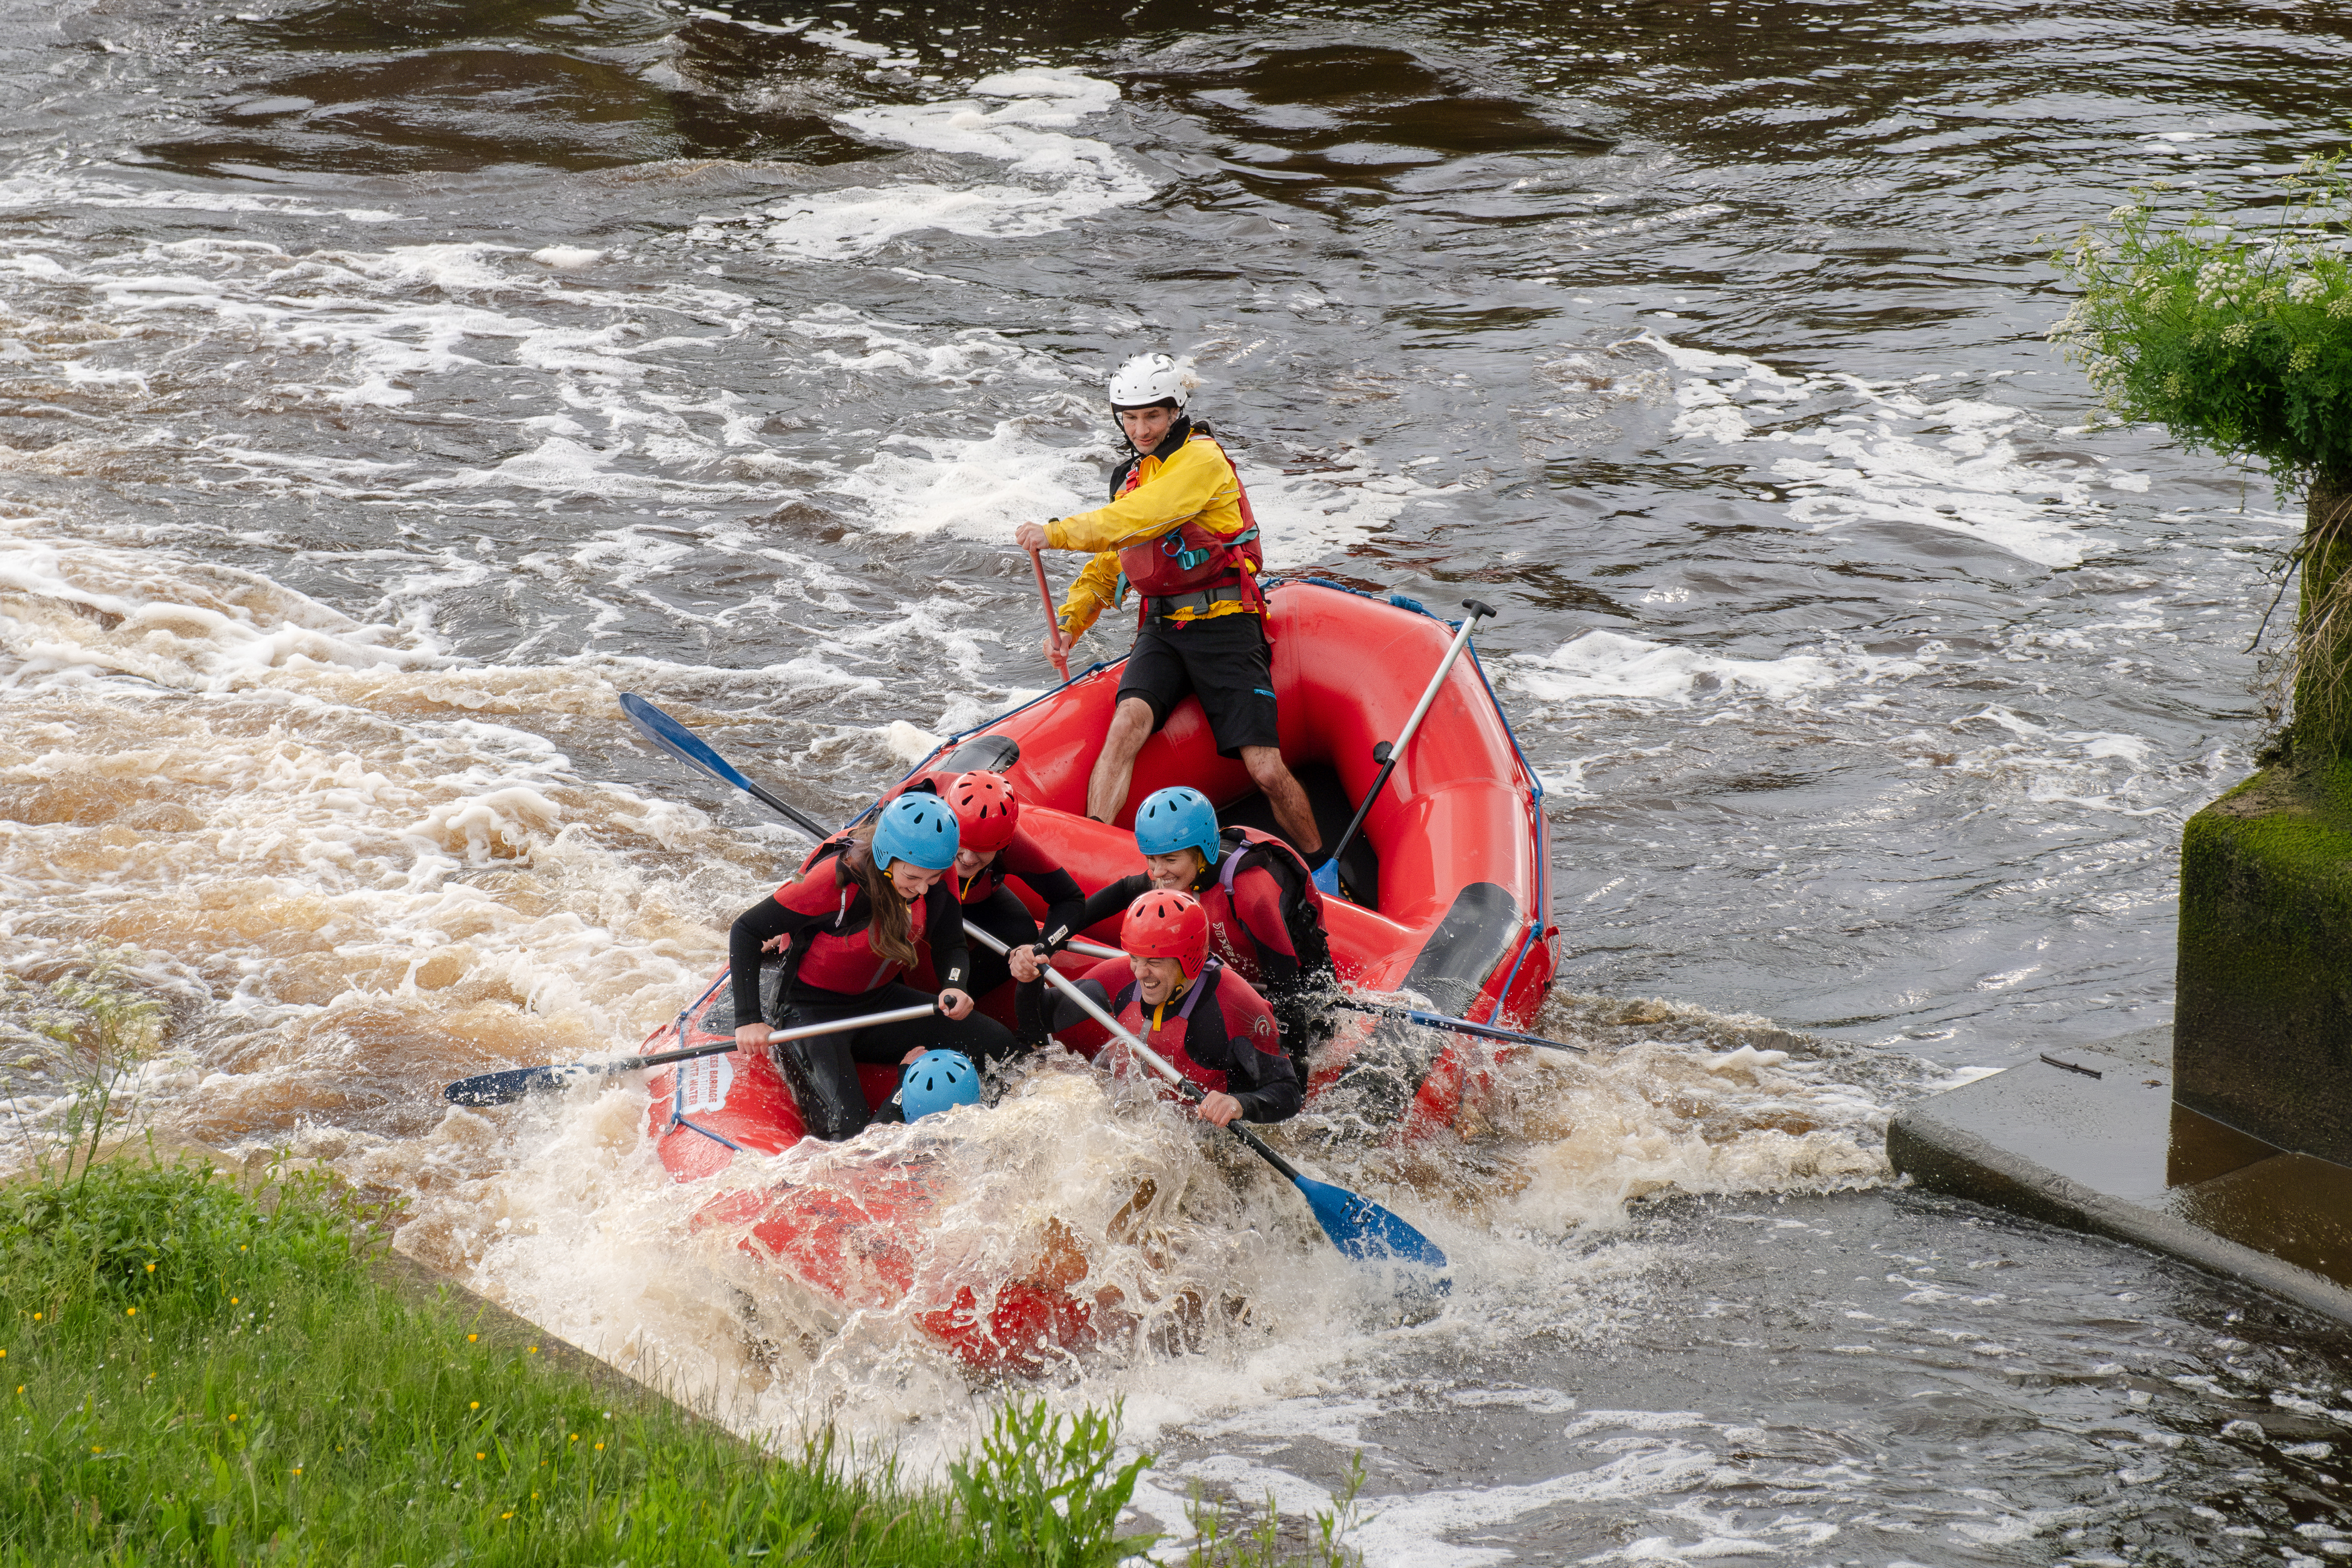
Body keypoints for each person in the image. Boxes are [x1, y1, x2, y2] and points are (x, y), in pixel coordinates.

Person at [1011, 352, 1323, 859]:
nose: (1141, 429)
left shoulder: (1201, 460)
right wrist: (1071, 625)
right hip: (1162, 629)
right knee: (1124, 726)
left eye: (1152, 416)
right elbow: (1110, 565)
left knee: (1264, 767)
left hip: (1225, 624)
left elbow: (1143, 519)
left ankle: (1322, 864)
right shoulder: (1132, 477)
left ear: (1175, 411)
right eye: (1130, 418)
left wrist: (1056, 534)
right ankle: (1089, 857)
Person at [726, 793, 1018, 1141]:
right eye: (913, 878)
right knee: (848, 1133)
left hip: (877, 1003)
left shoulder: (936, 869)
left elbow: (951, 944)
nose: (923, 889)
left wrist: (955, 984)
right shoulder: (836, 883)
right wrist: (748, 1019)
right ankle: (902, 1093)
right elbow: (745, 930)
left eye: (933, 879)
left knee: (1000, 1046)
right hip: (810, 1014)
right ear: (886, 857)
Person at [1016, 785, 1337, 1078]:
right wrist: (1048, 943)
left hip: (1299, 975)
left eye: (1169, 859)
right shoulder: (1175, 869)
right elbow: (1120, 892)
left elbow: (1291, 993)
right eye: (1151, 859)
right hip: (1236, 960)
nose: (1157, 872)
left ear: (1203, 852)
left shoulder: (1252, 893)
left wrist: (1293, 1081)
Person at [1010, 889, 1298, 1126]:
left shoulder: (1236, 1003)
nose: (1139, 973)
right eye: (1135, 957)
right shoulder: (1120, 975)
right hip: (1128, 1118)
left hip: (1202, 1137)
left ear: (1189, 959)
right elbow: (1039, 1023)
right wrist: (1028, 981)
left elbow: (1288, 1091)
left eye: (1154, 962)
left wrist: (1238, 1105)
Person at [935, 769, 1086, 1008]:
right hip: (924, 899)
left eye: (983, 849)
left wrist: (1041, 949)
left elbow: (1071, 899)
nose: (968, 859)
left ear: (1004, 843)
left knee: (1022, 933)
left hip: (975, 900)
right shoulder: (921, 827)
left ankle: (966, 1002)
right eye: (961, 844)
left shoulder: (1013, 842)